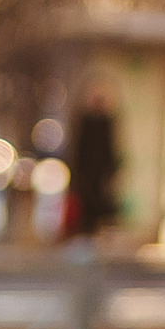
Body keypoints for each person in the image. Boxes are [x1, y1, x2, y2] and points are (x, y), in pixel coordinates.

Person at [63, 85, 119, 244]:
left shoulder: (107, 122)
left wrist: (112, 169)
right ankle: (87, 233)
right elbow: (79, 151)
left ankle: (100, 233)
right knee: (88, 203)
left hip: (101, 173)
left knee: (103, 202)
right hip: (86, 174)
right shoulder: (85, 122)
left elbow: (111, 149)